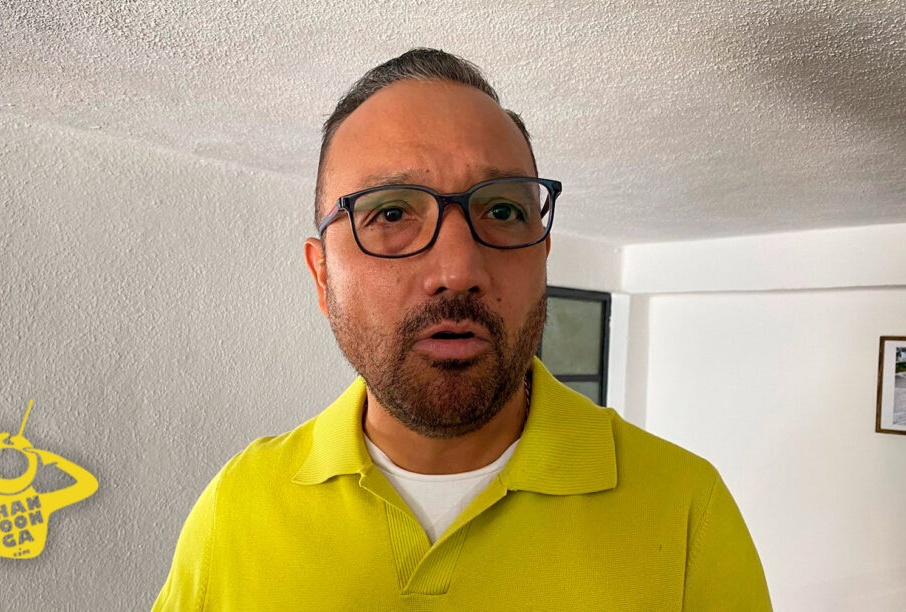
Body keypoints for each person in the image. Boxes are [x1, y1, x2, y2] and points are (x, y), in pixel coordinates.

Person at [151, 48, 771, 611]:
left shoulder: (686, 509)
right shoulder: (238, 504)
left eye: (502, 210)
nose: (457, 271)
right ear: (322, 276)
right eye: (391, 212)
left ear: (542, 256)